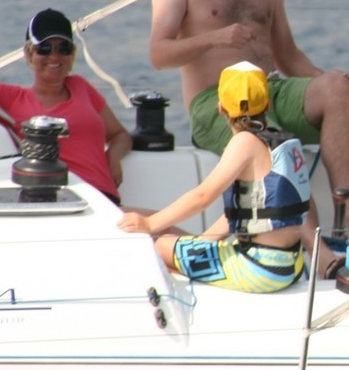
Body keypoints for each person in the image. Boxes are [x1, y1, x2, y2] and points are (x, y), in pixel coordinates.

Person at [150, 0, 349, 277]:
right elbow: (158, 54)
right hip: (216, 102)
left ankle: (348, 217)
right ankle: (317, 254)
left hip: (269, 89)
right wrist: (214, 38)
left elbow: (287, 55)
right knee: (276, 140)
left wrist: (327, 79)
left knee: (334, 87)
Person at [118, 61, 310, 292]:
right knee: (182, 243)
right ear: (267, 104)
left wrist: (150, 223)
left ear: (220, 107)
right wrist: (203, 241)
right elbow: (247, 211)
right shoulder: (277, 141)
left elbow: (203, 196)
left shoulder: (244, 142)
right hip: (291, 265)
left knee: (159, 246)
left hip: (259, 269)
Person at [0, 8, 131, 204]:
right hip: (57, 201)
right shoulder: (10, 97)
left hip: (104, 200)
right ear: (28, 53)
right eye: (44, 48)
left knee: (174, 235)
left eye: (63, 48)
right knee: (173, 234)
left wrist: (112, 158)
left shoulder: (81, 87)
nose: (54, 56)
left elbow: (120, 136)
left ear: (72, 54)